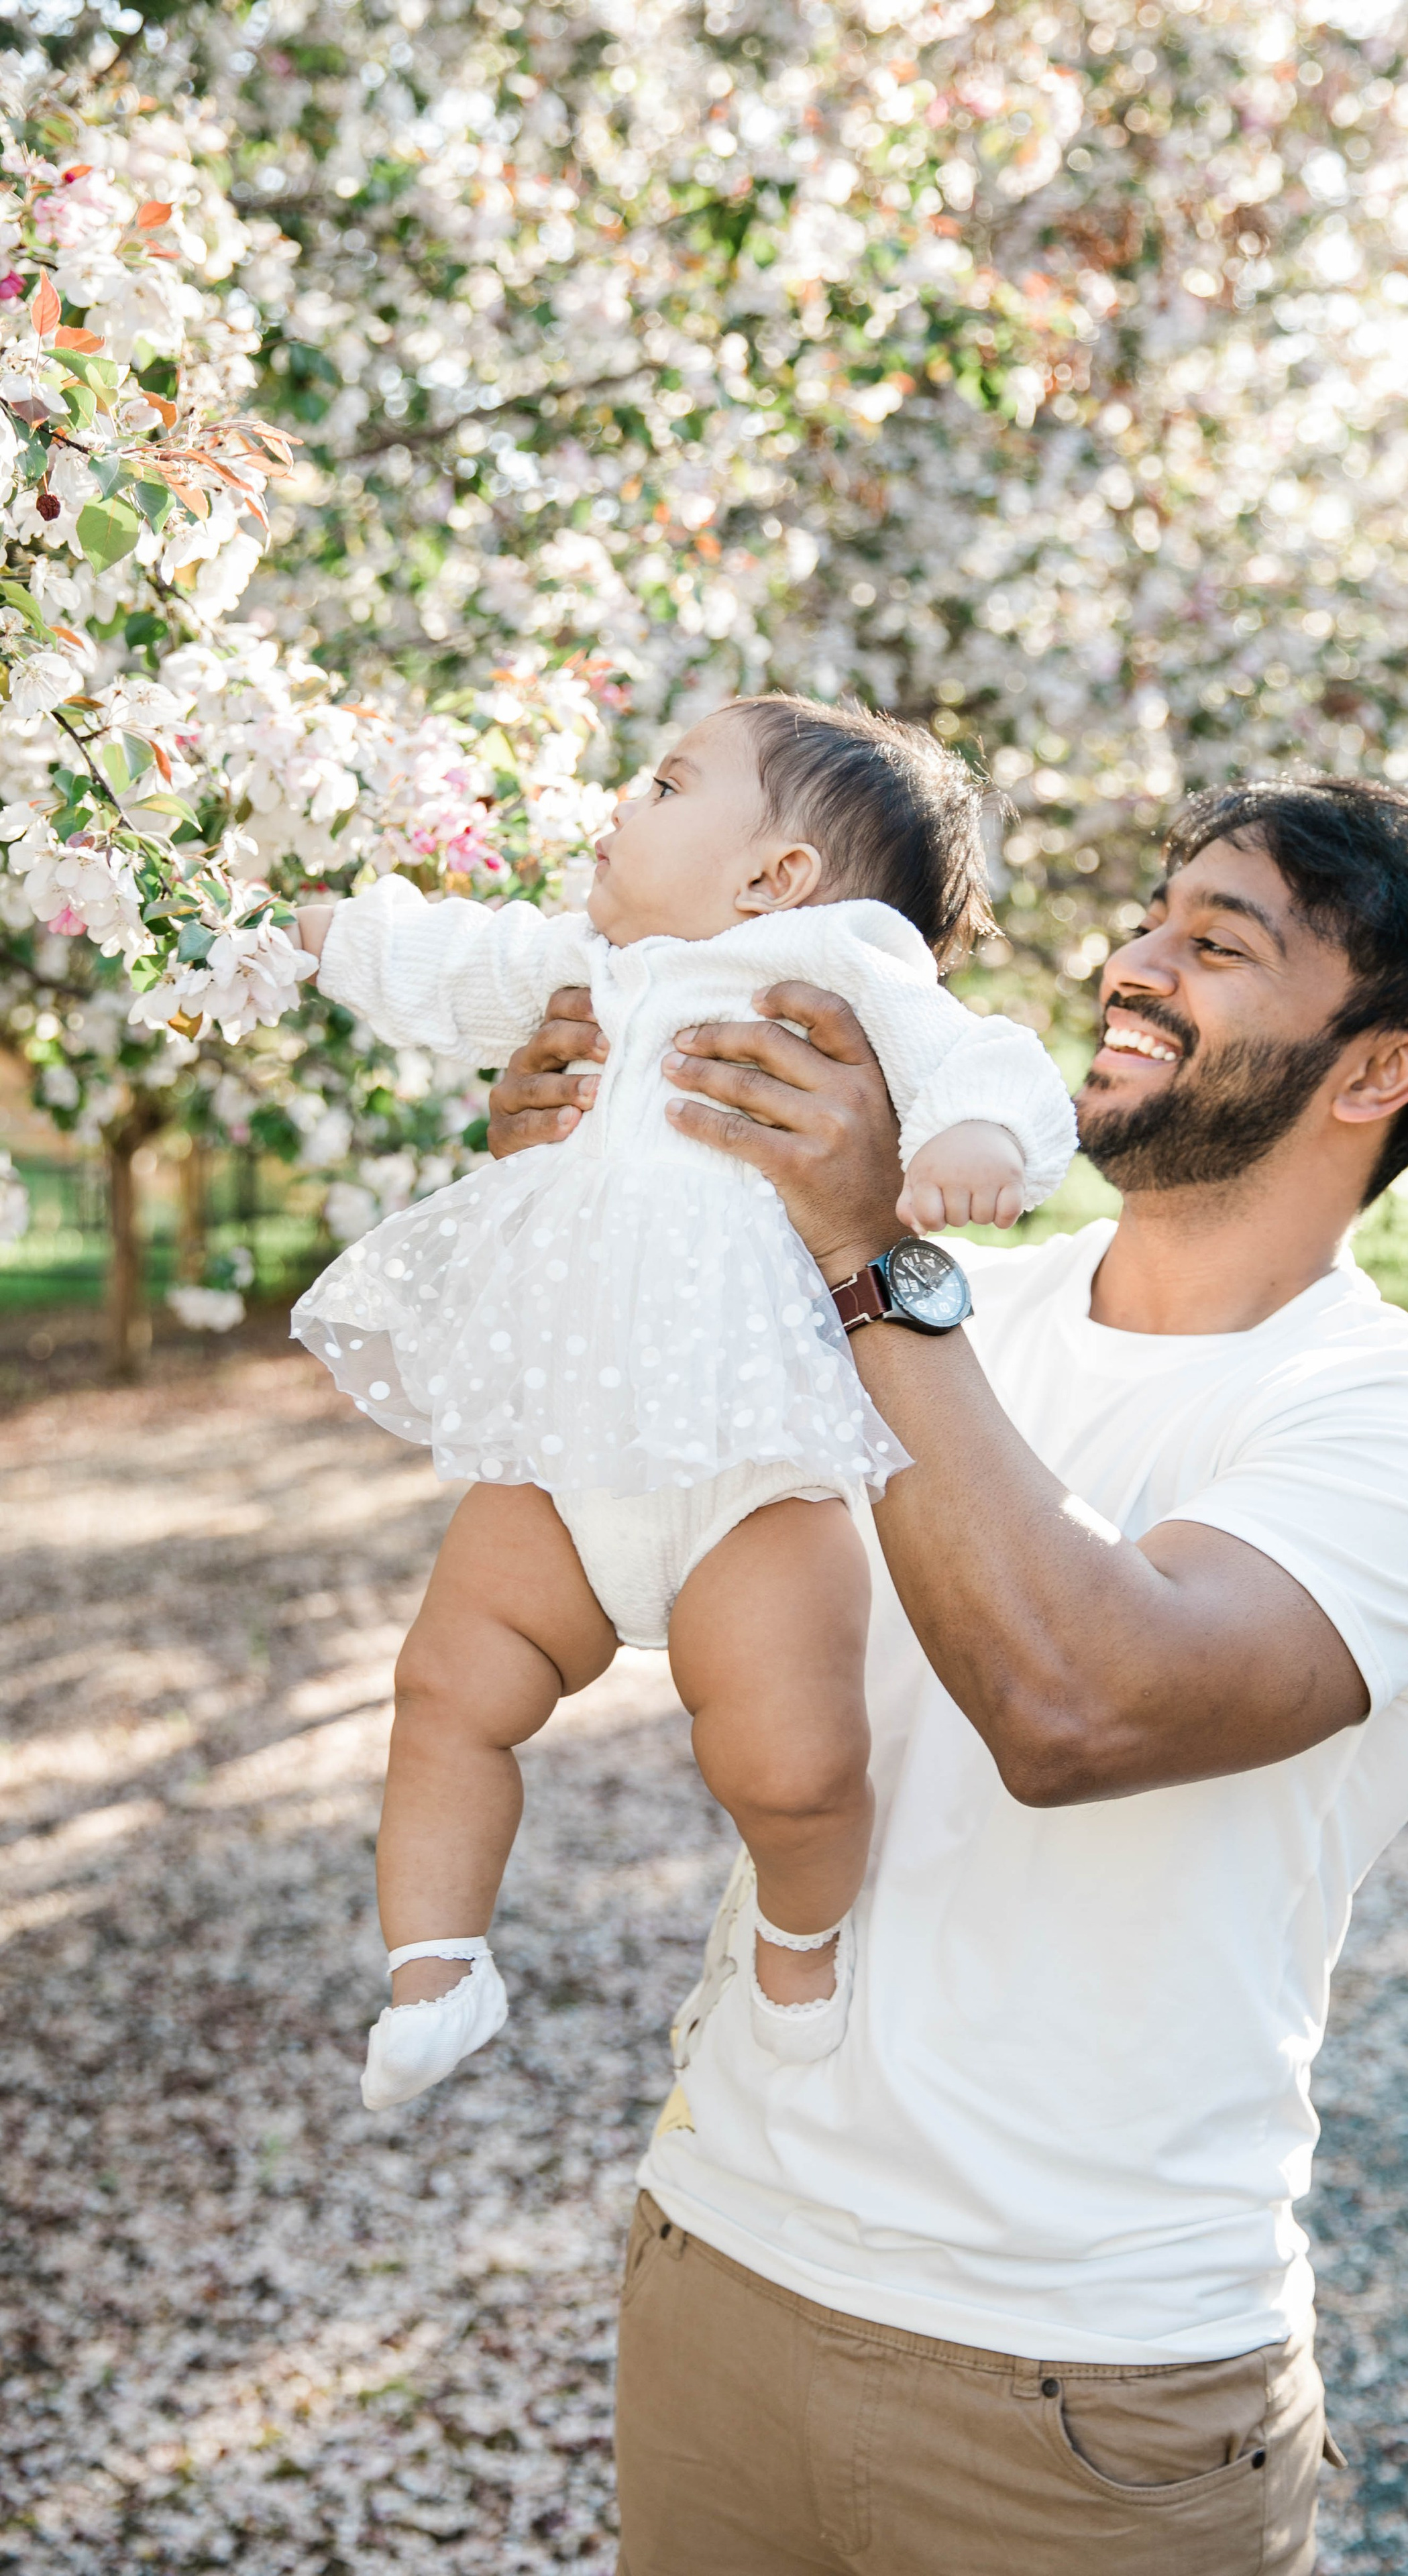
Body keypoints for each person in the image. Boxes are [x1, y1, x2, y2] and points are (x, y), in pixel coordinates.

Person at [484, 773, 1408, 2576]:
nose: (1131, 963)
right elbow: (620, 1523)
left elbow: (1075, 1707)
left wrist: (861, 1250)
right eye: (1149, 917)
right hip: (716, 2265)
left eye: (1218, 943)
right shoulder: (953, 1302)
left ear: (1381, 1067)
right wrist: (568, 1185)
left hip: (1086, 2390)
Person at [286, 695, 1075, 2111]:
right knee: (446, 1689)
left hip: (753, 1471)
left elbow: (985, 1054)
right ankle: (435, 1967)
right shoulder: (586, 965)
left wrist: (980, 1134)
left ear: (775, 875)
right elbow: (452, 963)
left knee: (791, 1765)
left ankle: (798, 1940)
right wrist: (320, 933)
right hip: (563, 1455)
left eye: (664, 785)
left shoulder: (836, 960)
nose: (619, 804)